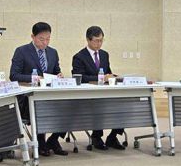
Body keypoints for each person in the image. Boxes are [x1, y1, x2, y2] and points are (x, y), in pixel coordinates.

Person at [9, 22, 66, 156]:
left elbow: (56, 71)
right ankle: (40, 142)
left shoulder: (52, 52)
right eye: (41, 39)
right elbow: (14, 75)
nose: (45, 42)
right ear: (33, 37)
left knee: (68, 107)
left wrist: (59, 75)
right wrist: (34, 78)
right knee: (41, 108)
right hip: (28, 98)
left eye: (48, 39)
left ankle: (53, 140)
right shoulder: (22, 51)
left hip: (49, 95)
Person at [72, 26, 124, 150]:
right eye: (96, 41)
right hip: (88, 95)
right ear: (88, 40)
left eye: (101, 40)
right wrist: (101, 78)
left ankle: (113, 136)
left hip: (105, 92)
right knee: (99, 105)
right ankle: (96, 136)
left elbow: (108, 73)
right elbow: (79, 77)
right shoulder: (79, 57)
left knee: (122, 104)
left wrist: (113, 77)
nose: (99, 43)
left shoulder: (104, 55)